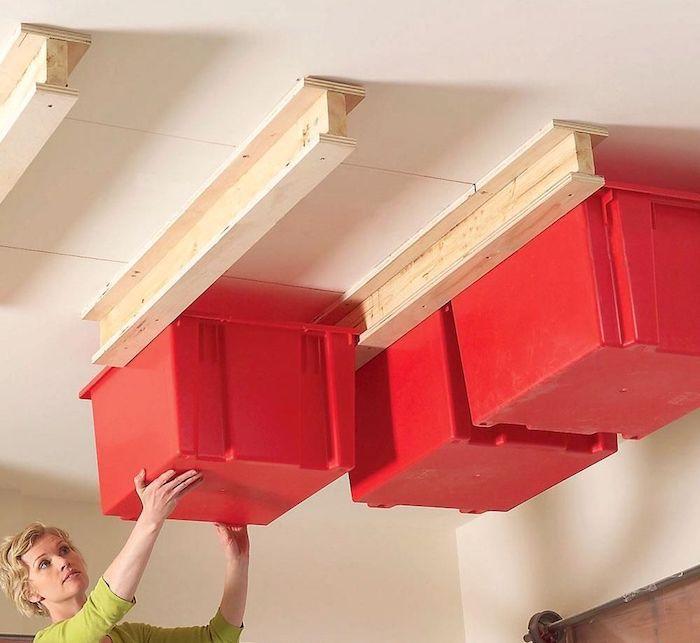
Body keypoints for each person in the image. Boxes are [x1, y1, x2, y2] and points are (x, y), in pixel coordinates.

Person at [0, 468, 249, 642]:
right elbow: (102, 611)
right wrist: (149, 519)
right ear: (30, 593)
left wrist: (238, 561)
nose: (63, 561)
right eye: (44, 564)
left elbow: (216, 639)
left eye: (64, 549)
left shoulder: (133, 637)